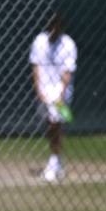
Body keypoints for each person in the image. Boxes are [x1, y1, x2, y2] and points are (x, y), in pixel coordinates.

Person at [30, 13, 78, 182]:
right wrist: (39, 91)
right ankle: (58, 160)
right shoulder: (39, 41)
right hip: (44, 89)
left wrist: (61, 95)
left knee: (55, 123)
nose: (53, 29)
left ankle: (53, 162)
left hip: (60, 90)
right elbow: (35, 67)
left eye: (56, 25)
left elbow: (67, 72)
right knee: (50, 127)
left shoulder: (69, 44)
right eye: (51, 25)